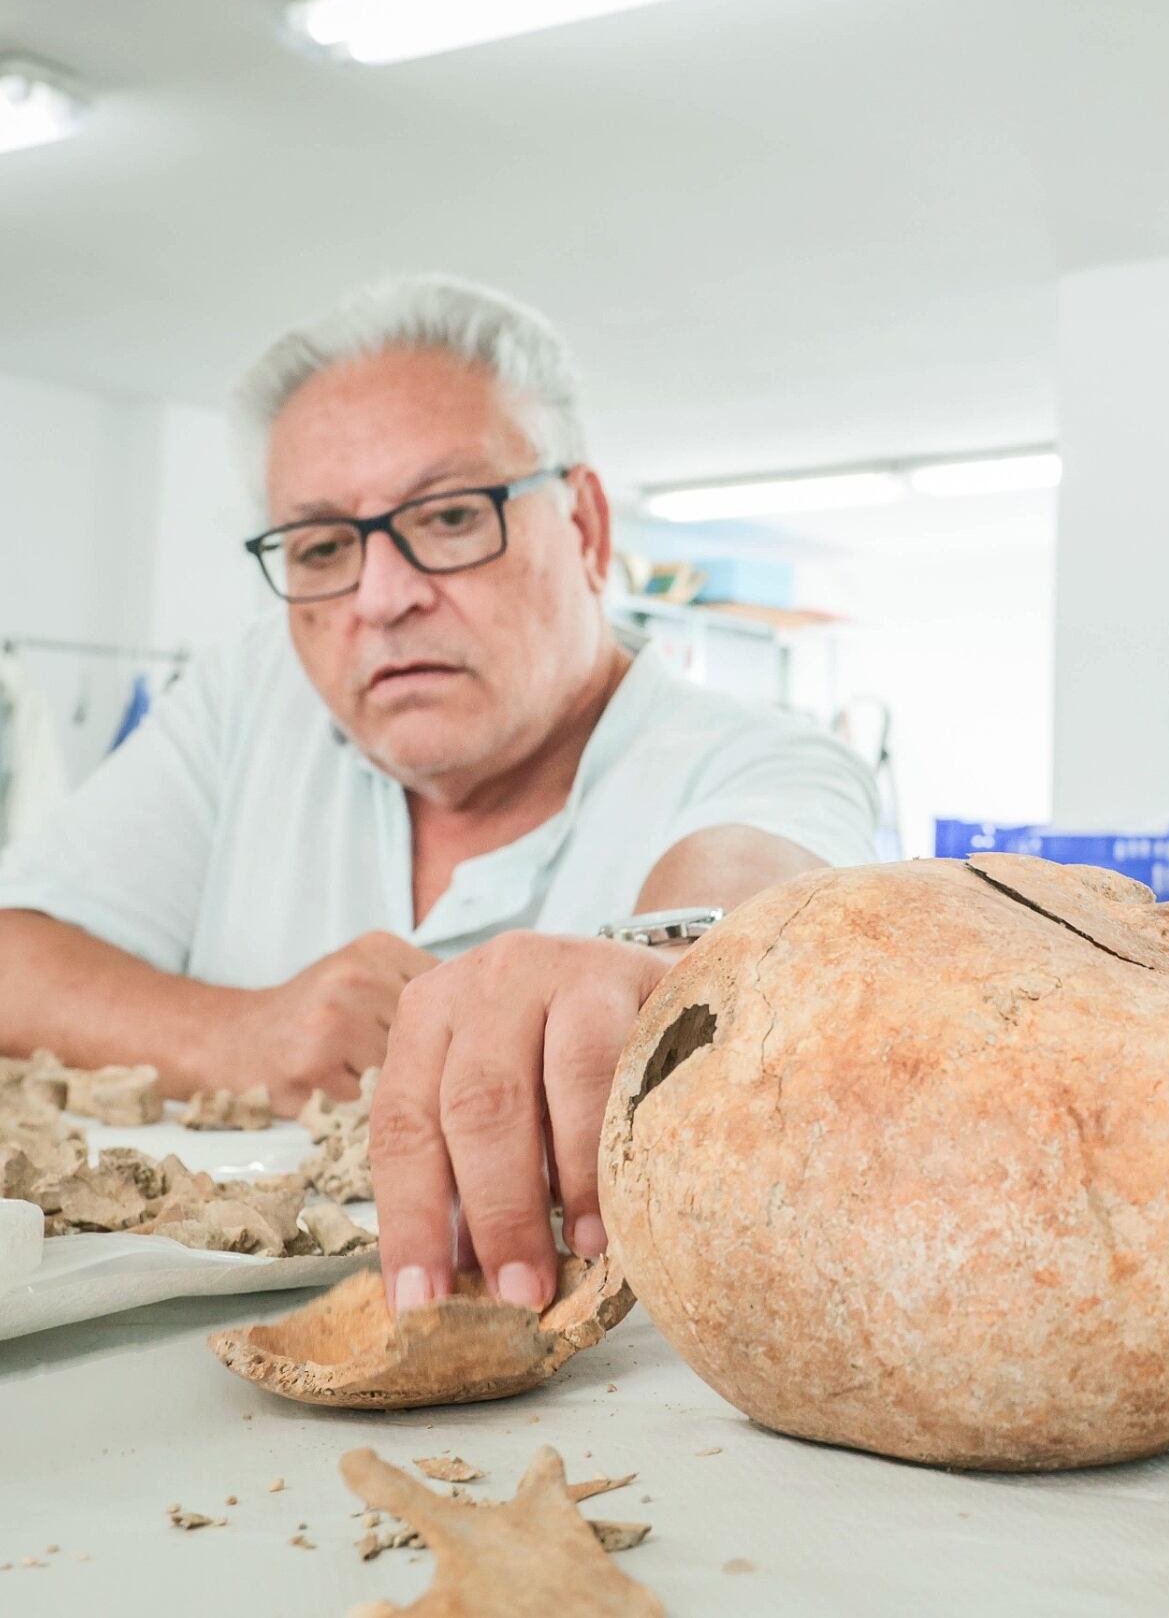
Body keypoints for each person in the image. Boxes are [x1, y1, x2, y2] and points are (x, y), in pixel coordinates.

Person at [0, 274, 880, 1313]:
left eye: (453, 516)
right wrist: (237, 1036)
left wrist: (637, 975)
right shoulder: (250, 697)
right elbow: (18, 946)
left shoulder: (758, 756)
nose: (381, 594)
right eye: (323, 544)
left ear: (588, 528)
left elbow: (752, 916)